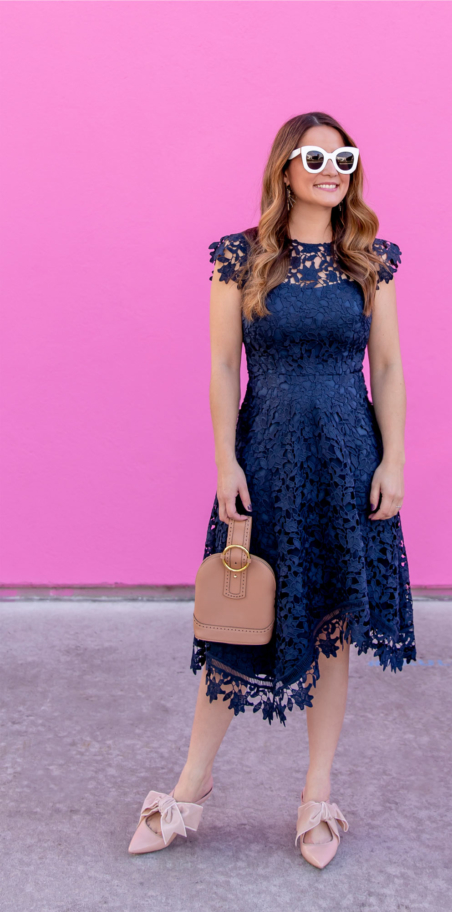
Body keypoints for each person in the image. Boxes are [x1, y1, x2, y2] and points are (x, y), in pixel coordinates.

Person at [128, 111, 416, 869]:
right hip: (266, 455)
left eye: (343, 156)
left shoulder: (370, 261)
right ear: (285, 167)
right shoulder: (240, 257)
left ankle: (316, 797)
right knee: (236, 616)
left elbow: (385, 369)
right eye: (315, 155)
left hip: (349, 459)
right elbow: (225, 366)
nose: (332, 167)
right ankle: (192, 786)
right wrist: (226, 461)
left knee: (330, 629)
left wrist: (395, 460)